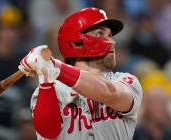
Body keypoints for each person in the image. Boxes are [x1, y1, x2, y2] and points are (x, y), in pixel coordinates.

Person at [18, 7, 143, 140]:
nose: (112, 41)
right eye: (100, 33)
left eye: (110, 35)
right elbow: (48, 132)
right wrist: (46, 76)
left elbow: (109, 93)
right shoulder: (50, 87)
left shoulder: (126, 80)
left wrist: (54, 67)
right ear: (76, 42)